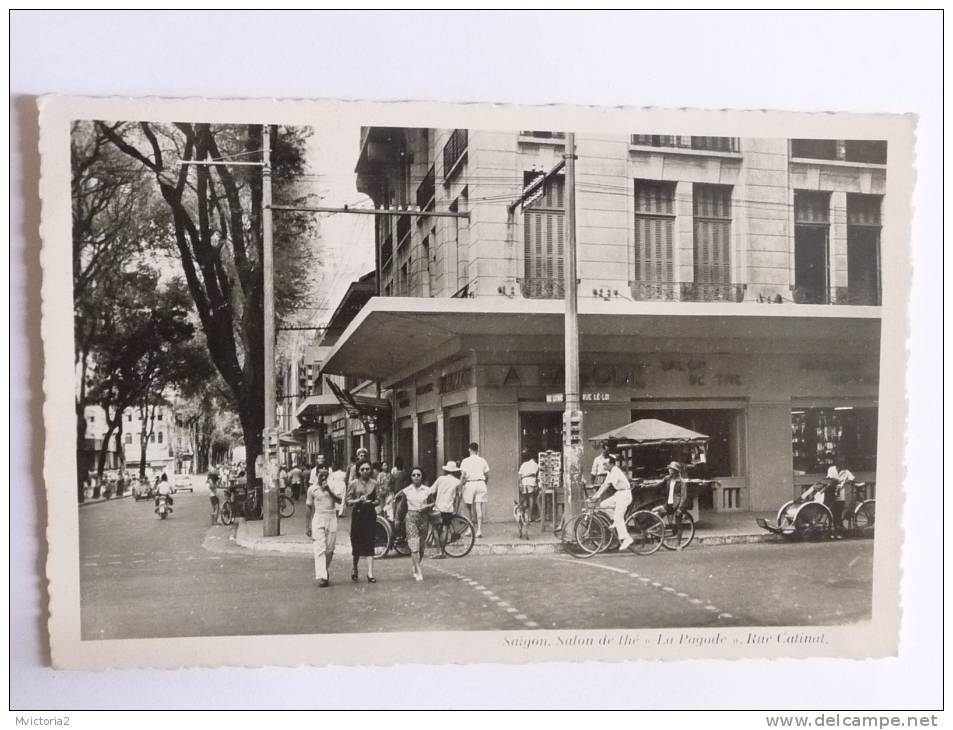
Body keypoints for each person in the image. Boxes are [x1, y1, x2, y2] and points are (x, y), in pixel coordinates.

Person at [305, 463, 344, 587]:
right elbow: (308, 507)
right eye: (321, 474)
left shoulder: (333, 485)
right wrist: (307, 526)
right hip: (318, 518)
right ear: (316, 475)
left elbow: (339, 500)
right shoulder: (312, 489)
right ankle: (322, 576)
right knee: (319, 548)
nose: (323, 476)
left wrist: (329, 490)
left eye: (325, 473)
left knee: (330, 550)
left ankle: (324, 570)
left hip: (331, 517)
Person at [589, 453, 634, 551]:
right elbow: (604, 485)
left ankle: (627, 538)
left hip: (625, 495)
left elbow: (607, 486)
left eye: (606, 464)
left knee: (619, 517)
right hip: (619, 494)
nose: (604, 466)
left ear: (612, 464)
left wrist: (596, 496)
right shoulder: (610, 472)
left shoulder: (615, 471)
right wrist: (596, 496)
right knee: (603, 505)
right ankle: (616, 522)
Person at [346, 460, 378, 583]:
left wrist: (372, 502)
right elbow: (348, 501)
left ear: (370, 470)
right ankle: (355, 568)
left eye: (367, 469)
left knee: (370, 542)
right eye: (362, 469)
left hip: (370, 514)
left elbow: (379, 500)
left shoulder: (375, 483)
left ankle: (370, 573)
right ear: (358, 471)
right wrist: (358, 500)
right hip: (358, 515)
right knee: (356, 542)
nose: (365, 471)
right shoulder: (353, 483)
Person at [401, 467, 437, 579]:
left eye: (418, 475)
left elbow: (432, 503)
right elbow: (402, 507)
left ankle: (416, 565)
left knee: (421, 547)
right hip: (411, 518)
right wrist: (398, 520)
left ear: (422, 477)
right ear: (411, 477)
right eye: (414, 475)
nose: (416, 477)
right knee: (414, 545)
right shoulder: (406, 491)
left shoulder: (427, 490)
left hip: (423, 518)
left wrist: (426, 507)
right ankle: (418, 571)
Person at [430, 461, 463, 557]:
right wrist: (455, 510)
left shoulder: (440, 479)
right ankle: (443, 552)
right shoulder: (457, 482)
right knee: (445, 528)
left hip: (438, 507)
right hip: (448, 508)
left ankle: (439, 551)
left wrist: (433, 501)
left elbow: (431, 491)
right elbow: (458, 497)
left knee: (435, 529)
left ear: (446, 470)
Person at [657, 461, 691, 547]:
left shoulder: (681, 482)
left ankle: (678, 544)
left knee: (678, 524)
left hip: (677, 505)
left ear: (676, 471)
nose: (669, 471)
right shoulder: (667, 478)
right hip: (669, 504)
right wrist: (647, 486)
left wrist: (680, 508)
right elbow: (658, 484)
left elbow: (684, 496)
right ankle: (660, 536)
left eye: (671, 469)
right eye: (669, 469)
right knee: (658, 515)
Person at [460, 442, 489, 538]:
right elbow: (487, 475)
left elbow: (463, 476)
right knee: (478, 507)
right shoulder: (482, 460)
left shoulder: (465, 461)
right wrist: (483, 483)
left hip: (470, 483)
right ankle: (479, 530)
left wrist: (460, 486)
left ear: (469, 449)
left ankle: (470, 529)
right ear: (477, 450)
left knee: (468, 507)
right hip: (481, 483)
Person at [827, 465, 856, 533]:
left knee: (839, 511)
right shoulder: (831, 469)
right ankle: (834, 526)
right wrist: (837, 481)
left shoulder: (845, 471)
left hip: (841, 493)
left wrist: (846, 481)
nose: (842, 464)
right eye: (840, 462)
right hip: (832, 492)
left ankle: (839, 527)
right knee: (833, 510)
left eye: (843, 463)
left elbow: (852, 478)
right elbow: (829, 478)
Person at [516, 451, 539, 534]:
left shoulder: (524, 464)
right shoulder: (536, 465)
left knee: (523, 498)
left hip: (524, 481)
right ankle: (529, 517)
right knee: (531, 498)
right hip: (531, 481)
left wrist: (520, 484)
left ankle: (522, 515)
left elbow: (519, 475)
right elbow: (537, 476)